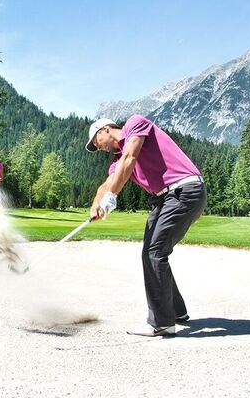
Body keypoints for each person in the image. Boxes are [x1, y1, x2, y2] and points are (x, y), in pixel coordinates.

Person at [86, 115, 207, 337]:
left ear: (104, 129)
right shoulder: (116, 160)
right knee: (150, 253)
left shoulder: (135, 123)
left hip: (184, 190)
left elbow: (131, 157)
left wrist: (113, 194)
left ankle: (162, 323)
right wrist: (97, 201)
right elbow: (108, 181)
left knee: (155, 252)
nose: (98, 147)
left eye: (96, 141)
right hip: (163, 199)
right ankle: (176, 312)